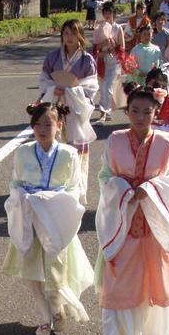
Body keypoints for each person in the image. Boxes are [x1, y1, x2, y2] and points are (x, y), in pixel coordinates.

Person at [94, 83, 169, 335]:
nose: (139, 117)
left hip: (154, 225)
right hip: (122, 224)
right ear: (126, 111)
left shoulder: (165, 143)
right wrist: (122, 190)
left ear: (156, 113)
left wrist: (150, 189)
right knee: (118, 282)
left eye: (147, 112)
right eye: (134, 110)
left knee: (153, 279)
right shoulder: (114, 140)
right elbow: (104, 176)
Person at [2, 101, 94, 335]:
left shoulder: (69, 154)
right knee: (32, 273)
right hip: (29, 219)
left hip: (54, 221)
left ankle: (56, 309)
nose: (42, 129)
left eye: (48, 124)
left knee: (55, 273)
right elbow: (15, 183)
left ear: (59, 125)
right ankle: (43, 318)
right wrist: (22, 196)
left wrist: (52, 200)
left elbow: (76, 188)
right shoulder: (22, 152)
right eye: (38, 124)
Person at [38, 18, 98, 203]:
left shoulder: (87, 60)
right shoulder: (53, 57)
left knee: (75, 151)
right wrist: (51, 90)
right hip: (55, 106)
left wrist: (71, 91)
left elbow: (91, 86)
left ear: (80, 35)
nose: (69, 37)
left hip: (74, 110)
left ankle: (77, 190)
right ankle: (53, 186)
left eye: (73, 33)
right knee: (53, 146)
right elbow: (44, 79)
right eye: (66, 33)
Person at [92, 1, 125, 122]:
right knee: (102, 87)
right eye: (105, 12)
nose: (107, 15)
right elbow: (95, 47)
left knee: (107, 87)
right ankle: (108, 109)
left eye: (109, 12)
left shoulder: (118, 28)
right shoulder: (99, 28)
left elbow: (122, 47)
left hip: (114, 61)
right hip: (101, 60)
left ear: (113, 14)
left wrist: (112, 47)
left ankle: (103, 113)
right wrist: (103, 44)